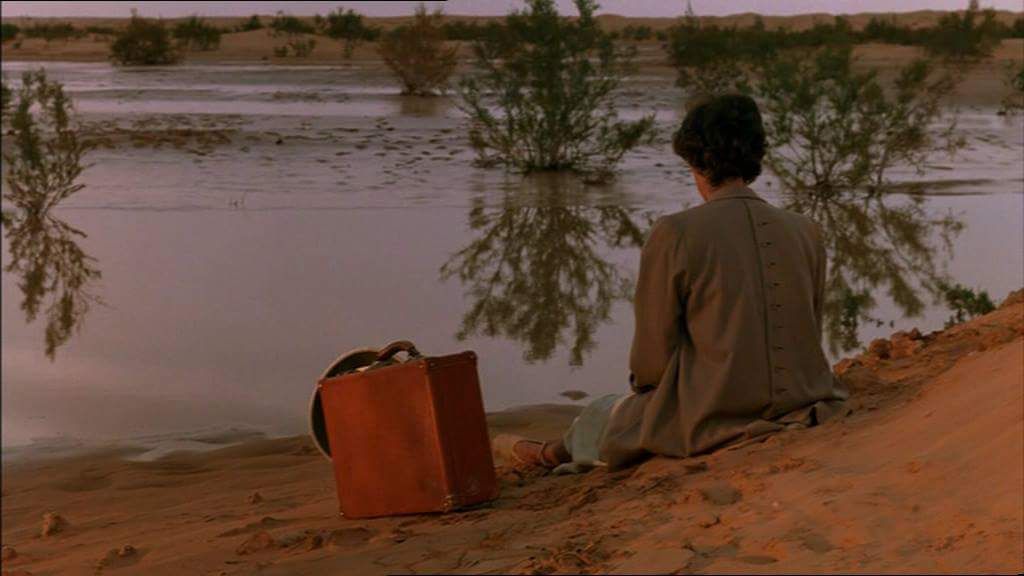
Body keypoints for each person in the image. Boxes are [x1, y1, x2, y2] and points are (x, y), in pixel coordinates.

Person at [494, 94, 849, 473]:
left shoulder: (675, 232)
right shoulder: (806, 229)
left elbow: (652, 358)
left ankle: (549, 456)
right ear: (756, 157)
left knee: (608, 410)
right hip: (805, 401)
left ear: (694, 162)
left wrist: (654, 393)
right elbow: (809, 326)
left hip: (715, 415)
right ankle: (556, 450)